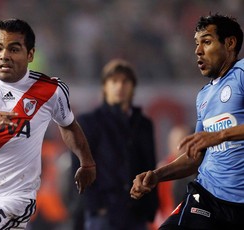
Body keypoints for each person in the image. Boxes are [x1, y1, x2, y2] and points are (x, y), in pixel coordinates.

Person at [0, 18, 96, 229]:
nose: (4, 56)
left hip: (14, 198)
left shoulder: (50, 90)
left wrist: (86, 162)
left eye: (14, 49)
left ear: (30, 54)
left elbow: (68, 125)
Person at [130, 13, 244, 229]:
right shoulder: (204, 96)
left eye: (207, 42)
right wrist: (157, 175)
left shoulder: (241, 74)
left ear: (230, 43)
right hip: (209, 197)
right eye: (196, 43)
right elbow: (194, 158)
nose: (198, 51)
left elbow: (213, 138)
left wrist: (220, 135)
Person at [71, 59, 158, 230]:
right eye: (114, 81)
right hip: (103, 215)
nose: (120, 86)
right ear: (105, 86)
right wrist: (95, 205)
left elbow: (150, 164)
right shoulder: (89, 123)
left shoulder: (144, 124)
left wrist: (150, 206)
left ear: (133, 87)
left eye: (125, 81)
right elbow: (78, 167)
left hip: (136, 212)